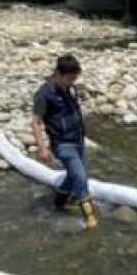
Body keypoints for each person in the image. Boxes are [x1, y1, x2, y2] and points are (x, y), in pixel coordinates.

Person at [32, 54, 98, 229]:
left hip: (78, 140)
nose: (72, 82)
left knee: (72, 175)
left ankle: (59, 204)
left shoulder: (70, 88)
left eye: (74, 79)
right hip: (62, 144)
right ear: (57, 73)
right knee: (81, 177)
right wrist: (43, 148)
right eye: (69, 78)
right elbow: (36, 122)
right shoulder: (44, 94)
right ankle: (90, 217)